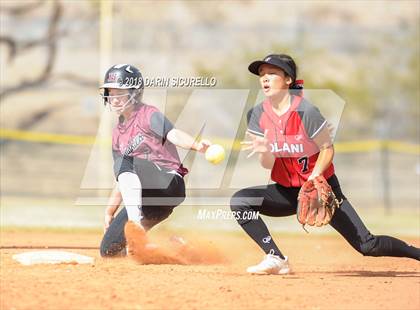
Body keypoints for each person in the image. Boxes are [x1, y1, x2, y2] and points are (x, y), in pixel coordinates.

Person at [232, 54, 420, 275]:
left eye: (272, 73)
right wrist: (266, 151)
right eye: (262, 74)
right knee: (241, 202)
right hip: (286, 192)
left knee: (368, 245)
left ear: (288, 79)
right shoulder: (257, 114)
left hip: (322, 190)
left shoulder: (306, 112)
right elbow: (267, 164)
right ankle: (276, 257)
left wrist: (314, 177)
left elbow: (327, 149)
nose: (265, 78)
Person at [99, 64, 210, 257]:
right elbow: (123, 176)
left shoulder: (148, 114)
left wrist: (196, 145)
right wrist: (110, 211)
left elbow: (173, 134)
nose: (113, 98)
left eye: (119, 92)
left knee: (126, 161)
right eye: (110, 92)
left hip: (169, 183)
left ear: (134, 92)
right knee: (109, 252)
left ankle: (136, 229)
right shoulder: (117, 134)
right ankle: (180, 251)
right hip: (149, 202)